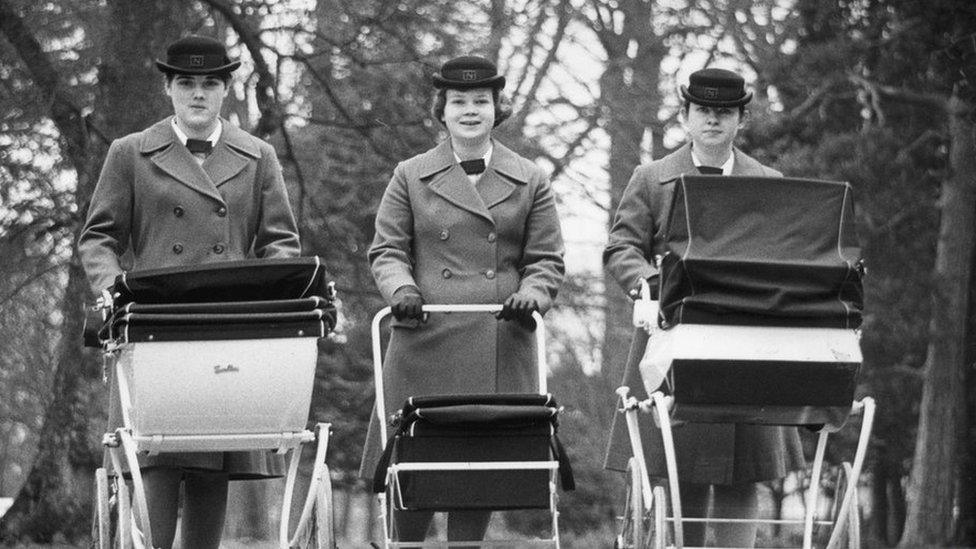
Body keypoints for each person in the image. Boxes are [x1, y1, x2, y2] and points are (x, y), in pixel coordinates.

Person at [78, 35, 301, 549]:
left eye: (209, 84)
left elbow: (280, 242)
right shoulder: (130, 153)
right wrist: (115, 290)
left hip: (226, 326)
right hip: (154, 325)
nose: (197, 94)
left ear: (225, 89)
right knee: (155, 456)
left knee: (211, 459)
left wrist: (272, 294)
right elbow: (99, 237)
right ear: (168, 89)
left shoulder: (258, 156)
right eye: (186, 83)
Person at [361, 55, 565, 544]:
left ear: (498, 108)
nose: (470, 110)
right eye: (459, 101)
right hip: (424, 334)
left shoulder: (530, 179)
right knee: (413, 468)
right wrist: (402, 290)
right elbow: (387, 249)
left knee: (479, 471)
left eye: (481, 101)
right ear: (443, 111)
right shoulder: (410, 174)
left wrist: (530, 295)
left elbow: (547, 260)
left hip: (497, 334)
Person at [603, 67, 805, 547]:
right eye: (703, 111)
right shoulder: (652, 178)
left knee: (742, 472)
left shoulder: (767, 181)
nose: (712, 121)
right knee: (680, 471)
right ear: (687, 117)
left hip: (746, 343)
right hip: (674, 337)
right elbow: (620, 248)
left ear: (740, 120)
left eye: (724, 112)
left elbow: (786, 257)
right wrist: (650, 285)